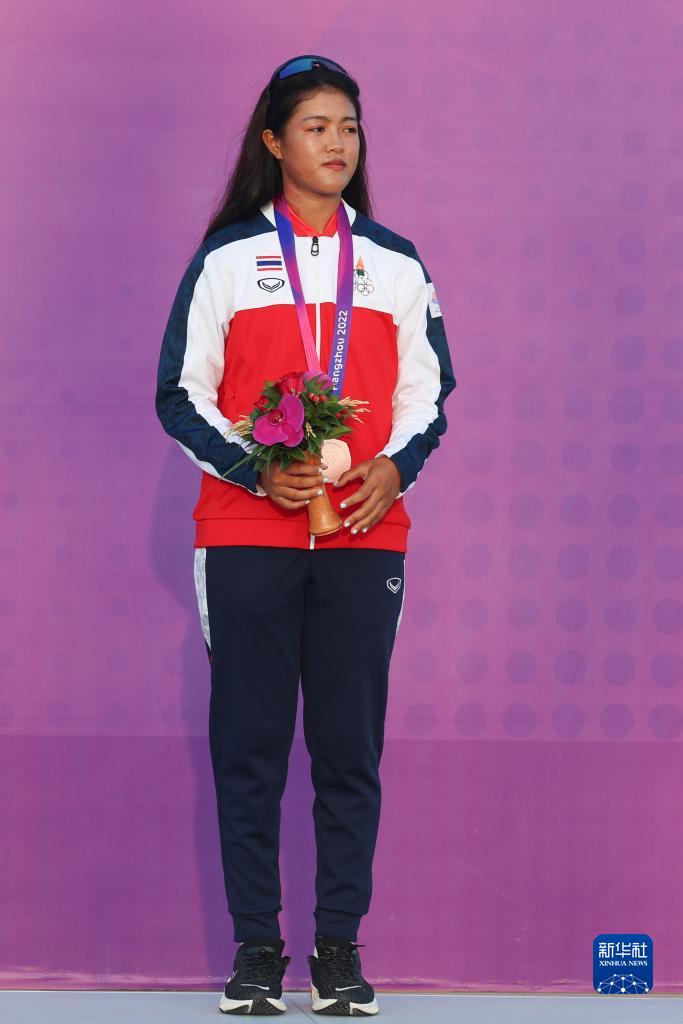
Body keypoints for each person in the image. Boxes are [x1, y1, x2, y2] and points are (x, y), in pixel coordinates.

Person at [155, 53, 456, 1017]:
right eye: (316, 126)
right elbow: (180, 393)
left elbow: (428, 395)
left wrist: (392, 470)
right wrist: (254, 468)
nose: (337, 143)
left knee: (347, 752)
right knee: (248, 749)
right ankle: (256, 951)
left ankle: (338, 950)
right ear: (274, 142)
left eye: (349, 127)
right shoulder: (227, 259)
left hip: (364, 532)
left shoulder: (396, 262)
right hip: (246, 531)